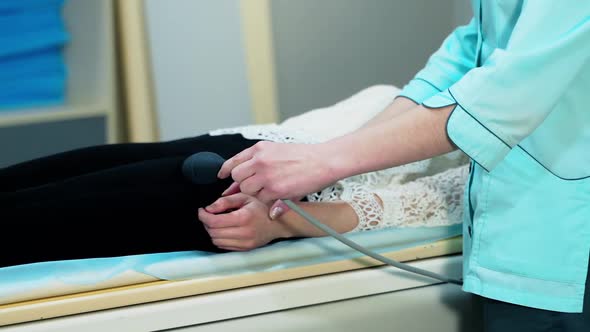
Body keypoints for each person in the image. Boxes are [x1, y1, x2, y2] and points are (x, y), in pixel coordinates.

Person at [218, 2, 590, 331]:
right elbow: (463, 58)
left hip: (559, 239)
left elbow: (505, 96)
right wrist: (330, 162)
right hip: (510, 231)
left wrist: (325, 162)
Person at [0, 85, 468, 269]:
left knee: (22, 223)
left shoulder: (507, 139)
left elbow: (431, 201)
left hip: (257, 196)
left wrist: (283, 221)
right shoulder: (467, 60)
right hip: (244, 145)